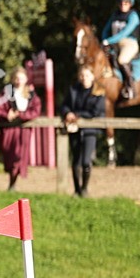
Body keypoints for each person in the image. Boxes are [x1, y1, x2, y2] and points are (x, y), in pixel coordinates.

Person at [59, 65, 106, 197]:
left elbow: (96, 112)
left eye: (87, 75)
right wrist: (67, 113)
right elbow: (64, 106)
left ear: (92, 76)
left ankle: (85, 188)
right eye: (82, 75)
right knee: (75, 161)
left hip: (90, 131)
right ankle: (77, 189)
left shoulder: (99, 91)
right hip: (75, 130)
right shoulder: (73, 90)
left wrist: (77, 115)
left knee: (86, 161)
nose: (84, 78)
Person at [0, 66, 41, 190]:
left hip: (23, 129)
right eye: (17, 78)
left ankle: (13, 182)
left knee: (19, 155)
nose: (19, 80)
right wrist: (6, 114)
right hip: (9, 129)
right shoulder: (6, 92)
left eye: (22, 78)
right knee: (9, 155)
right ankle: (11, 181)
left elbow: (35, 110)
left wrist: (22, 115)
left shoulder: (31, 94)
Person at [101, 0, 140, 100]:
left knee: (122, 60)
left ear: (130, 4)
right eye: (121, 3)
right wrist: (104, 40)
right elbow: (106, 30)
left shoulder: (133, 16)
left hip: (129, 43)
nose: (123, 5)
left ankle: (130, 86)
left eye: (126, 3)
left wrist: (109, 41)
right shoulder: (115, 15)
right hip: (114, 43)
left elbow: (125, 33)